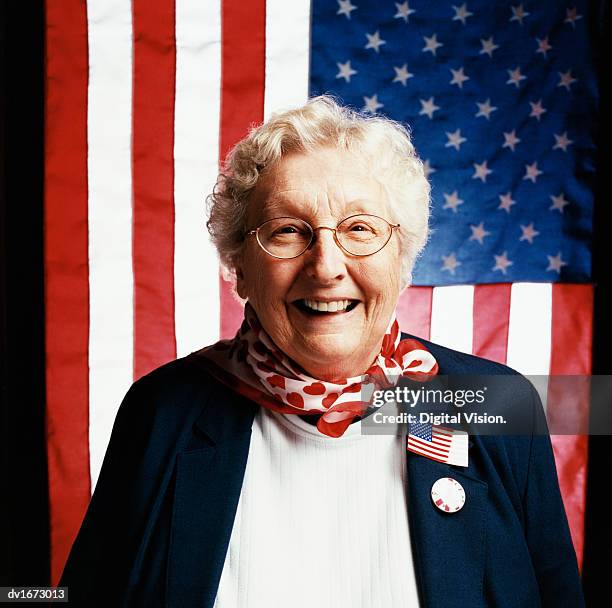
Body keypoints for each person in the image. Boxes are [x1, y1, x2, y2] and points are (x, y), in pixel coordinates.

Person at [60, 96, 584, 607]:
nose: (326, 266)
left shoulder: (498, 402)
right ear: (240, 265)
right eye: (288, 230)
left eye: (360, 229)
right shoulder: (163, 411)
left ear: (402, 258)